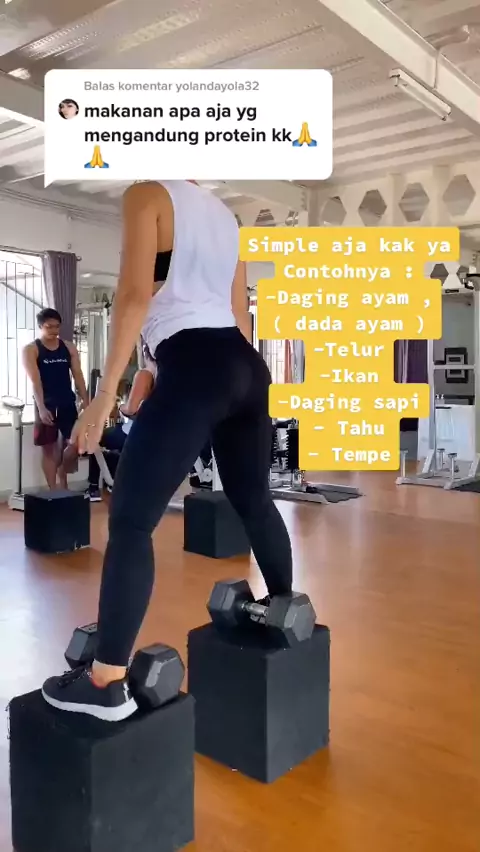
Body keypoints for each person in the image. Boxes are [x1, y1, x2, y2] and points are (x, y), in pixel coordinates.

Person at [42, 180, 293, 722]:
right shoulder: (227, 218)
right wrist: (225, 384)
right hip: (245, 365)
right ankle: (284, 609)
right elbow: (239, 315)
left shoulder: (147, 195)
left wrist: (103, 397)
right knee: (254, 499)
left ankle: (105, 683)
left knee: (132, 522)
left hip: (195, 361)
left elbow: (134, 297)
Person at [23, 308, 89, 490]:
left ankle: (64, 485)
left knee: (73, 445)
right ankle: (54, 491)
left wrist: (86, 400)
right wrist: (41, 408)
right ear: (40, 327)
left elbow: (78, 375)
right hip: (47, 404)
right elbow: (35, 381)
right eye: (49, 327)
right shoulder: (31, 349)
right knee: (50, 450)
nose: (54, 330)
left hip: (67, 402)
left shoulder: (68, 347)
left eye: (57, 326)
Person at [87, 348, 158, 501]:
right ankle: (115, 479)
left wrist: (120, 407)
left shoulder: (145, 374)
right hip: (159, 437)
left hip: (135, 434)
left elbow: (131, 410)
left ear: (146, 354)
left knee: (97, 437)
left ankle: (93, 488)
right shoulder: (171, 376)